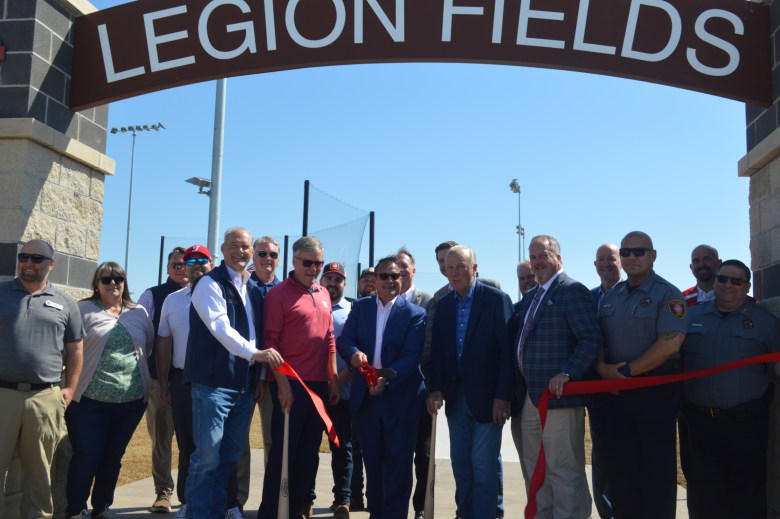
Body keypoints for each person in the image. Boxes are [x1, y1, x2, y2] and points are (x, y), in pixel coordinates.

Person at [184, 227, 283, 518]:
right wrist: (255, 354)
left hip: (244, 387)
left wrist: (260, 374)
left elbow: (261, 334)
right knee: (207, 459)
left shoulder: (251, 288)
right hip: (213, 387)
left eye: (246, 247)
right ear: (223, 249)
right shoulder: (208, 284)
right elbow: (220, 328)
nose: (241, 251)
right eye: (235, 246)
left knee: (227, 459)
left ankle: (213, 512)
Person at [596, 231, 688, 519]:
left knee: (656, 480)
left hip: (654, 399)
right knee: (621, 480)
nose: (632, 257)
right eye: (626, 252)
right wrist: (602, 369)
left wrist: (626, 372)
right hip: (616, 399)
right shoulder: (610, 298)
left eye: (639, 251)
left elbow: (670, 343)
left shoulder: (668, 295)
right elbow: (596, 339)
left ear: (653, 255)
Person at [680, 260, 779, 519]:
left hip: (746, 425)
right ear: (715, 281)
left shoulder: (765, 323)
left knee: (747, 496)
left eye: (736, 281)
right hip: (700, 424)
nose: (728, 285)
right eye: (723, 279)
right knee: (704, 497)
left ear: (747, 287)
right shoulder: (692, 317)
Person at [514, 236, 599, 519]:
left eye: (543, 255)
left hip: (560, 400)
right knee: (536, 469)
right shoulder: (530, 297)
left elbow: (590, 338)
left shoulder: (572, 291)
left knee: (563, 470)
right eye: (533, 256)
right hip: (530, 397)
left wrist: (568, 372)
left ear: (558, 259)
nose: (537, 262)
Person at [427, 245, 513, 519]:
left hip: (489, 399)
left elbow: (507, 353)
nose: (453, 273)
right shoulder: (444, 306)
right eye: (449, 268)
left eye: (460, 267)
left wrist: (503, 395)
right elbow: (438, 352)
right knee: (461, 464)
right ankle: (465, 514)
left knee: (483, 465)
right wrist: (436, 388)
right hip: (456, 398)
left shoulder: (496, 299)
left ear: (474, 268)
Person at [338, 254, 427, 519]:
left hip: (400, 399)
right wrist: (353, 354)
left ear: (402, 279)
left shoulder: (415, 313)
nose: (390, 281)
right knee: (373, 464)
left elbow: (412, 356)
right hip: (366, 401)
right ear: (374, 279)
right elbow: (345, 341)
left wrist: (385, 379)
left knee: (399, 467)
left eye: (395, 276)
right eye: (384, 276)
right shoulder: (361, 308)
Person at [0, 239, 84, 519]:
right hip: (3, 394)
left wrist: (70, 389)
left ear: (51, 264)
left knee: (39, 475)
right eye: (24, 257)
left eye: (37, 259)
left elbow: (75, 349)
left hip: (45, 399)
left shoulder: (65, 303)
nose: (28, 263)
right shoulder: (1, 294)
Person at [65, 262, 154, 519]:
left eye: (119, 278)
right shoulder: (82, 310)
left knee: (113, 456)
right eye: (106, 279)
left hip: (131, 401)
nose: (113, 283)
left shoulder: (138, 313)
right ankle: (76, 510)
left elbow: (146, 347)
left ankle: (102, 507)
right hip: (89, 400)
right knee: (87, 454)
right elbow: (69, 348)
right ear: (97, 283)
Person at [258, 236, 339, 519]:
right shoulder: (278, 294)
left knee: (308, 456)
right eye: (308, 262)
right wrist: (281, 386)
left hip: (318, 388)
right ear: (294, 261)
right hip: (290, 385)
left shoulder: (324, 293)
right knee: (283, 455)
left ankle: (292, 512)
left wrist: (334, 379)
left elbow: (329, 340)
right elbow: (271, 343)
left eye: (318, 263)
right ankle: (271, 513)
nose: (314, 268)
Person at [156, 244, 216, 519]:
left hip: (216, 383)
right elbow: (164, 344)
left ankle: (222, 504)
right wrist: (165, 384)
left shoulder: (223, 296)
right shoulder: (173, 300)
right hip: (182, 382)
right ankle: (187, 502)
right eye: (189, 261)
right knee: (187, 445)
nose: (196, 265)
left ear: (211, 264)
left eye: (202, 259)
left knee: (216, 446)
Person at [137, 246, 189, 513]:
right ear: (167, 268)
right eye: (176, 265)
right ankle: (163, 492)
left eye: (185, 264)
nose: (181, 269)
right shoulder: (152, 295)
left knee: (190, 440)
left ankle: (188, 495)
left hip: (190, 381)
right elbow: (139, 330)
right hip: (159, 381)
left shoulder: (203, 293)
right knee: (161, 439)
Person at [306, 262, 354, 518]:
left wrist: (339, 380)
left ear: (345, 283)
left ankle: (342, 500)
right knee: (310, 446)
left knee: (341, 447)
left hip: (342, 392)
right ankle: (306, 499)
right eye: (329, 278)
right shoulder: (312, 303)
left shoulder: (353, 310)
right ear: (321, 281)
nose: (333, 284)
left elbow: (358, 353)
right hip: (313, 390)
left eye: (338, 279)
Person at [396, 248, 434, 519]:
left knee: (423, 455)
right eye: (394, 266)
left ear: (413, 270)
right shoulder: (379, 299)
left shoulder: (429, 301)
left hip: (419, 391)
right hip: (388, 392)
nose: (399, 271)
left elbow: (431, 346)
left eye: (404, 266)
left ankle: (420, 507)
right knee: (394, 454)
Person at [588, 243, 621, 519]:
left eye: (611, 258)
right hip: (598, 394)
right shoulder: (587, 298)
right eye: (601, 260)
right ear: (595, 265)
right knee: (602, 462)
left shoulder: (633, 295)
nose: (606, 264)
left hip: (632, 389)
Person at [247, 236, 282, 491]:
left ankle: (272, 499)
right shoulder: (242, 286)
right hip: (244, 376)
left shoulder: (284, 291)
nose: (267, 259)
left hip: (274, 379)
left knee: (273, 441)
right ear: (253, 256)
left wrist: (264, 377)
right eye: (262, 254)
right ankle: (235, 501)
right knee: (237, 442)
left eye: (272, 255)